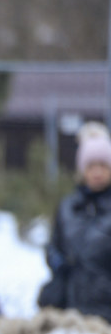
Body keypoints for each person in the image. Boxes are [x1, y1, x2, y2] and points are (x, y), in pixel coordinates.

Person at [38, 132, 111, 322]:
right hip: (70, 305)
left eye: (103, 165)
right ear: (82, 170)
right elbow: (54, 244)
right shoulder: (67, 207)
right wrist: (57, 261)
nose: (97, 172)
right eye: (91, 166)